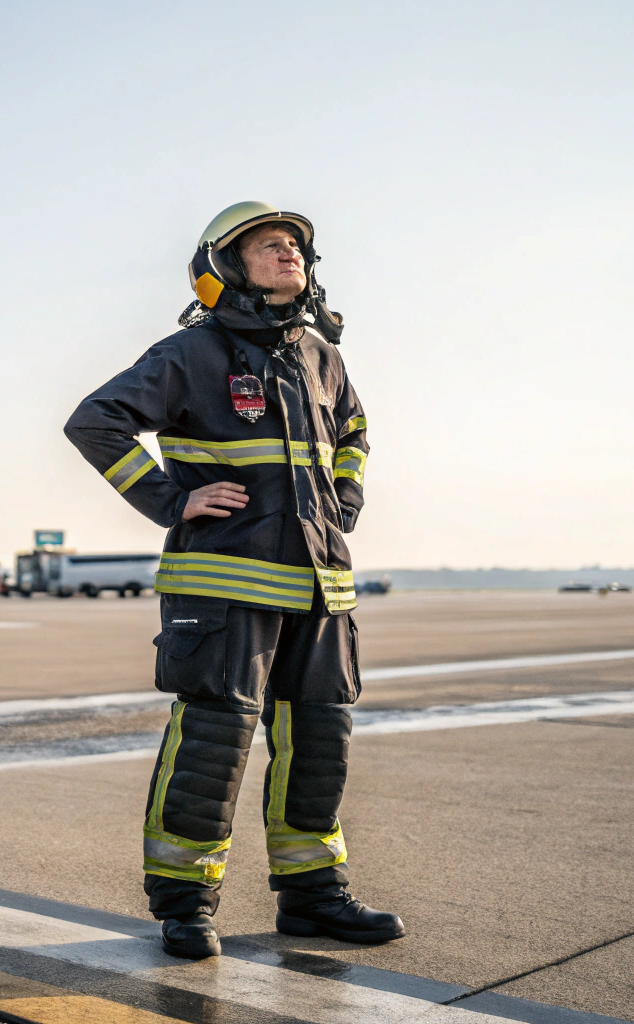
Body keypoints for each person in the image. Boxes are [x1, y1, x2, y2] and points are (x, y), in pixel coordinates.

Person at [64, 202, 403, 960]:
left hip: (321, 588)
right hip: (224, 586)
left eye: (296, 247)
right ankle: (185, 906)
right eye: (271, 245)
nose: (291, 256)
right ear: (225, 268)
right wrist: (170, 499)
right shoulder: (191, 352)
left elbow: (354, 433)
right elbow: (96, 421)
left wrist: (344, 499)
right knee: (214, 744)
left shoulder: (321, 354)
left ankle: (314, 897)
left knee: (320, 745)